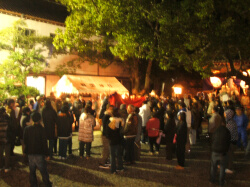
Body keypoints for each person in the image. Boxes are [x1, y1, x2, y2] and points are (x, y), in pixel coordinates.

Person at [23, 112, 52, 187]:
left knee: (32, 171)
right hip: (39, 152)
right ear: (40, 119)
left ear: (32, 119)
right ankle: (47, 184)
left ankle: (33, 184)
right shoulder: (42, 129)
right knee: (43, 170)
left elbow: (25, 141)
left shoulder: (27, 129)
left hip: (30, 152)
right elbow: (44, 143)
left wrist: (25, 151)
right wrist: (47, 154)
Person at [210, 121, 231, 186]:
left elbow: (212, 139)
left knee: (213, 166)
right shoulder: (227, 131)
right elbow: (228, 142)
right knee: (222, 168)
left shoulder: (216, 130)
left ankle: (212, 180)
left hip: (215, 151)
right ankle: (221, 182)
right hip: (223, 152)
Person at [106, 108, 124, 174]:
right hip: (118, 139)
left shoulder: (110, 121)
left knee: (112, 156)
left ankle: (113, 169)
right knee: (119, 155)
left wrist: (108, 137)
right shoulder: (120, 121)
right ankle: (120, 167)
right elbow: (120, 130)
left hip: (112, 140)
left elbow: (108, 132)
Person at [99, 104, 114, 169]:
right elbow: (106, 127)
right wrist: (108, 135)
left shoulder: (108, 115)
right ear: (108, 109)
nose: (112, 110)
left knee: (107, 149)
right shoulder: (107, 116)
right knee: (106, 149)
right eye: (111, 109)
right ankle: (102, 163)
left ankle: (105, 161)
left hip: (106, 135)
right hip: (106, 135)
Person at [0, 107, 14, 172]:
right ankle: (6, 167)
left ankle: (0, 166)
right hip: (6, 138)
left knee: (0, 153)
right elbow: (11, 128)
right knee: (7, 153)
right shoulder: (7, 118)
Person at [224, 109, 238, 174]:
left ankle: (229, 168)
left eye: (225, 114)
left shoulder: (230, 123)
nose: (224, 115)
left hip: (231, 142)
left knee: (230, 155)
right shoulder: (230, 122)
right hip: (231, 141)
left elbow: (229, 134)